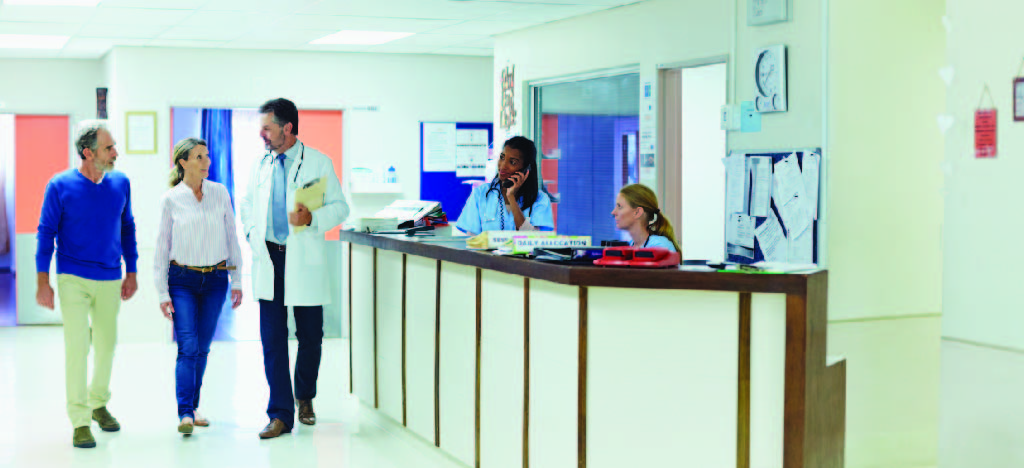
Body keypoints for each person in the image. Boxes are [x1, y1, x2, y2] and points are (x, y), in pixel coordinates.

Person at [239, 98, 350, 439]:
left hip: (303, 258)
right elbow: (245, 205)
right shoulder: (260, 165)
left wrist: (313, 217)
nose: (262, 134)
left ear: (287, 128)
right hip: (269, 258)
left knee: (310, 337)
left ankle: (305, 397)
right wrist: (252, 232)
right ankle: (280, 414)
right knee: (272, 340)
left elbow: (340, 207)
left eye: (267, 128)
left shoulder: (318, 162)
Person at [35, 121, 139, 448]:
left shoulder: (121, 183)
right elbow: (45, 233)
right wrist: (43, 281)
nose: (115, 153)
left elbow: (128, 228)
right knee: (77, 347)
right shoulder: (60, 185)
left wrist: (132, 271)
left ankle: (98, 403)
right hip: (72, 276)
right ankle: (80, 420)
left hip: (109, 275)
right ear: (88, 152)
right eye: (109, 148)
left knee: (107, 345)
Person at [154, 138, 244, 435]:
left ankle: (191, 408)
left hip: (216, 280)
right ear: (183, 162)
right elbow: (161, 249)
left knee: (202, 348)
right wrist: (162, 292)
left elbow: (232, 239)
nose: (206, 161)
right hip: (182, 281)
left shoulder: (220, 193)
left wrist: (237, 279)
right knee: (188, 346)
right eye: (199, 157)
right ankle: (184, 412)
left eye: (207, 155)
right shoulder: (171, 199)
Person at [456, 136, 554, 235]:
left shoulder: (540, 199)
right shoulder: (481, 193)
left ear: (526, 169)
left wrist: (511, 197)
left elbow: (534, 239)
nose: (503, 166)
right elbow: (472, 239)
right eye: (502, 158)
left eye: (512, 162)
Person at [611, 184, 681, 253]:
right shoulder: (630, 245)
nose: (613, 212)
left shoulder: (661, 246)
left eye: (619, 207)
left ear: (637, 212)